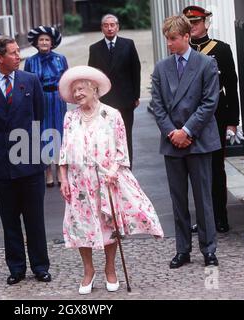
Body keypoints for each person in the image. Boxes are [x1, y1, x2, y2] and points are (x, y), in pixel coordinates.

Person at [58, 66, 164, 294]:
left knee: (108, 224)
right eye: (73, 90)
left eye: (81, 89)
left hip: (105, 181)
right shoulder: (70, 117)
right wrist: (63, 177)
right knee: (80, 226)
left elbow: (121, 151)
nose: (77, 94)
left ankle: (110, 269)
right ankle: (88, 271)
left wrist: (114, 170)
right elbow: (64, 150)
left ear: (93, 88)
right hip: (79, 181)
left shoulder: (112, 115)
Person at [0, 36, 51, 285]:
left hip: (29, 160)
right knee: (10, 220)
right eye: (14, 53)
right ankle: (16, 268)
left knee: (35, 219)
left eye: (19, 52)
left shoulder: (30, 80)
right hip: (1, 164)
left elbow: (39, 117)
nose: (19, 56)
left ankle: (40, 266)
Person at [151, 15, 221, 269]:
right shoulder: (161, 68)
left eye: (173, 39)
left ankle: (209, 249)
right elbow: (157, 106)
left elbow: (209, 102)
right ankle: (183, 250)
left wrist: (187, 131)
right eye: (167, 39)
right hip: (172, 142)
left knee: (204, 199)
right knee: (177, 199)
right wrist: (173, 133)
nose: (169, 44)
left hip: (199, 140)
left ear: (186, 37)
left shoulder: (206, 64)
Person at [183, 5, 240, 233]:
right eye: (188, 24)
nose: (192, 27)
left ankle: (221, 217)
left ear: (205, 22)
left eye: (196, 22)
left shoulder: (221, 49)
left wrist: (233, 121)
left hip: (217, 116)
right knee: (197, 170)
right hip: (191, 119)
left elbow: (231, 87)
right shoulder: (183, 51)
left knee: (216, 168)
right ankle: (204, 218)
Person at [88, 14, 141, 167]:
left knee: (125, 135)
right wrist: (94, 98)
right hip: (105, 100)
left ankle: (127, 167)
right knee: (106, 135)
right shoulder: (95, 48)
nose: (110, 28)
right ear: (101, 28)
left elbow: (135, 70)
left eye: (113, 25)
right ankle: (109, 166)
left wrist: (136, 95)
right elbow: (92, 76)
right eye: (106, 25)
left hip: (125, 99)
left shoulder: (128, 44)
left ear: (118, 27)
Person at [25, 26, 68, 187]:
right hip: (39, 99)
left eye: (47, 40)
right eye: (41, 40)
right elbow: (26, 83)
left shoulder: (61, 59)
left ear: (52, 43)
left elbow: (66, 79)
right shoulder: (30, 61)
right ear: (36, 43)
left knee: (58, 131)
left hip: (57, 99)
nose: (44, 42)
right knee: (43, 132)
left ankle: (59, 170)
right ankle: (47, 172)